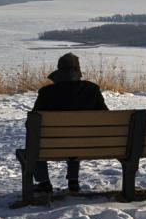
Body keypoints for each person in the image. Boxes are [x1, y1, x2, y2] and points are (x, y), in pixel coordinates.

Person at [31, 53, 108, 193]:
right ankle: (73, 181)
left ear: (59, 70)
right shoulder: (91, 89)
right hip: (86, 144)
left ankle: (44, 182)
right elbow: (105, 117)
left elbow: (32, 124)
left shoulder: (46, 92)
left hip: (51, 145)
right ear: (78, 70)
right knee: (76, 137)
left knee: (35, 142)